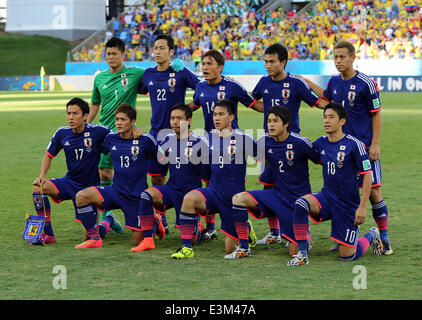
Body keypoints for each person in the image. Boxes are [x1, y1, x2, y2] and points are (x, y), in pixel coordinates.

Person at [301, 39, 392, 255]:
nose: (339, 61)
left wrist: (375, 143)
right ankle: (346, 235)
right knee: (345, 192)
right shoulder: (335, 82)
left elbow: (376, 113)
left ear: (353, 57)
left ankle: (384, 238)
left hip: (363, 148)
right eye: (336, 57)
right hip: (338, 149)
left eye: (343, 57)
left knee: (374, 193)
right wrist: (306, 83)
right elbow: (326, 97)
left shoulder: (365, 83)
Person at [89, 37, 184, 223]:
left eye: (115, 54)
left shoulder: (135, 73)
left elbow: (157, 73)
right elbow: (95, 103)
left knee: (131, 176)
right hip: (104, 133)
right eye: (108, 54)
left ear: (123, 54)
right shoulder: (99, 78)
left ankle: (149, 214)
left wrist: (174, 65)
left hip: (126, 134)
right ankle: (107, 216)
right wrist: (85, 124)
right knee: (104, 173)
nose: (111, 57)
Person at [287, 103, 383, 266]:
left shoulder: (355, 145)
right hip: (326, 198)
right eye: (324, 117)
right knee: (301, 203)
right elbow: (307, 153)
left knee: (347, 257)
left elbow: (367, 176)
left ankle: (372, 235)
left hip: (347, 205)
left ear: (342, 121)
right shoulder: (321, 143)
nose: (326, 121)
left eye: (331, 117)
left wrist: (362, 206)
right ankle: (302, 255)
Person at [251, 43, 328, 245]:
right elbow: (255, 103)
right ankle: (274, 232)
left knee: (295, 188)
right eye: (265, 61)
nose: (268, 65)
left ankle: (305, 232)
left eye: (272, 61)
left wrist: (334, 110)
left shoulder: (295, 83)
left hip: (293, 144)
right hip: (269, 144)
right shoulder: (263, 82)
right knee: (268, 185)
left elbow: (316, 102)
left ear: (283, 62)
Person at [170, 99, 260, 259]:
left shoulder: (243, 138)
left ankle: (245, 228)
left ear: (231, 117)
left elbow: (265, 157)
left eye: (221, 114)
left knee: (229, 248)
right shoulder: (208, 138)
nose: (216, 118)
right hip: (214, 193)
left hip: (233, 199)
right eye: (215, 114)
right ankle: (186, 248)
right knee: (189, 198)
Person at [228, 106, 320, 259]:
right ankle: (244, 248)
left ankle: (304, 231)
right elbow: (258, 155)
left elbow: (320, 160)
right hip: (276, 195)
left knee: (295, 253)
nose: (270, 124)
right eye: (269, 121)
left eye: (275, 121)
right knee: (239, 199)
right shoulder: (264, 141)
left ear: (286, 124)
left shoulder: (300, 142)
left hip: (296, 202)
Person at [191, 49, 264, 239]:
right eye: (203, 64)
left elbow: (254, 104)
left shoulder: (232, 86)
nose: (205, 67)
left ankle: (245, 226)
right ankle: (211, 227)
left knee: (234, 186)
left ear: (220, 67)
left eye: (209, 64)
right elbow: (194, 106)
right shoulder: (200, 87)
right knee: (209, 181)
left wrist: (279, 112)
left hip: (233, 143)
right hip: (209, 141)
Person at [30, 97, 121, 244]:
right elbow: (48, 155)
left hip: (90, 189)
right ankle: (48, 234)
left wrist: (135, 131)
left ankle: (108, 221)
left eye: (75, 113)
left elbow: (120, 138)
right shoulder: (62, 133)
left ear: (85, 116)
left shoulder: (98, 131)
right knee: (38, 187)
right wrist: (42, 176)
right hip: (69, 183)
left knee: (88, 235)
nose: (70, 117)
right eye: (68, 113)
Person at [74, 104, 163, 249]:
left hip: (135, 197)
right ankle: (100, 231)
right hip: (115, 191)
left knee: (137, 241)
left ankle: (154, 221)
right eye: (117, 119)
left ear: (133, 122)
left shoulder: (145, 140)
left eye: (123, 119)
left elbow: (162, 156)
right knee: (82, 196)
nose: (119, 123)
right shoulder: (110, 138)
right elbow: (96, 145)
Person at [131, 103, 209, 252]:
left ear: (189, 120)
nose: (174, 121)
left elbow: (209, 172)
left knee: (190, 242)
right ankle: (149, 237)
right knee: (146, 195)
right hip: (171, 189)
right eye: (172, 118)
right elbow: (154, 155)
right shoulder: (167, 139)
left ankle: (197, 227)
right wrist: (139, 135)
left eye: (179, 118)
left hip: (191, 196)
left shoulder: (200, 142)